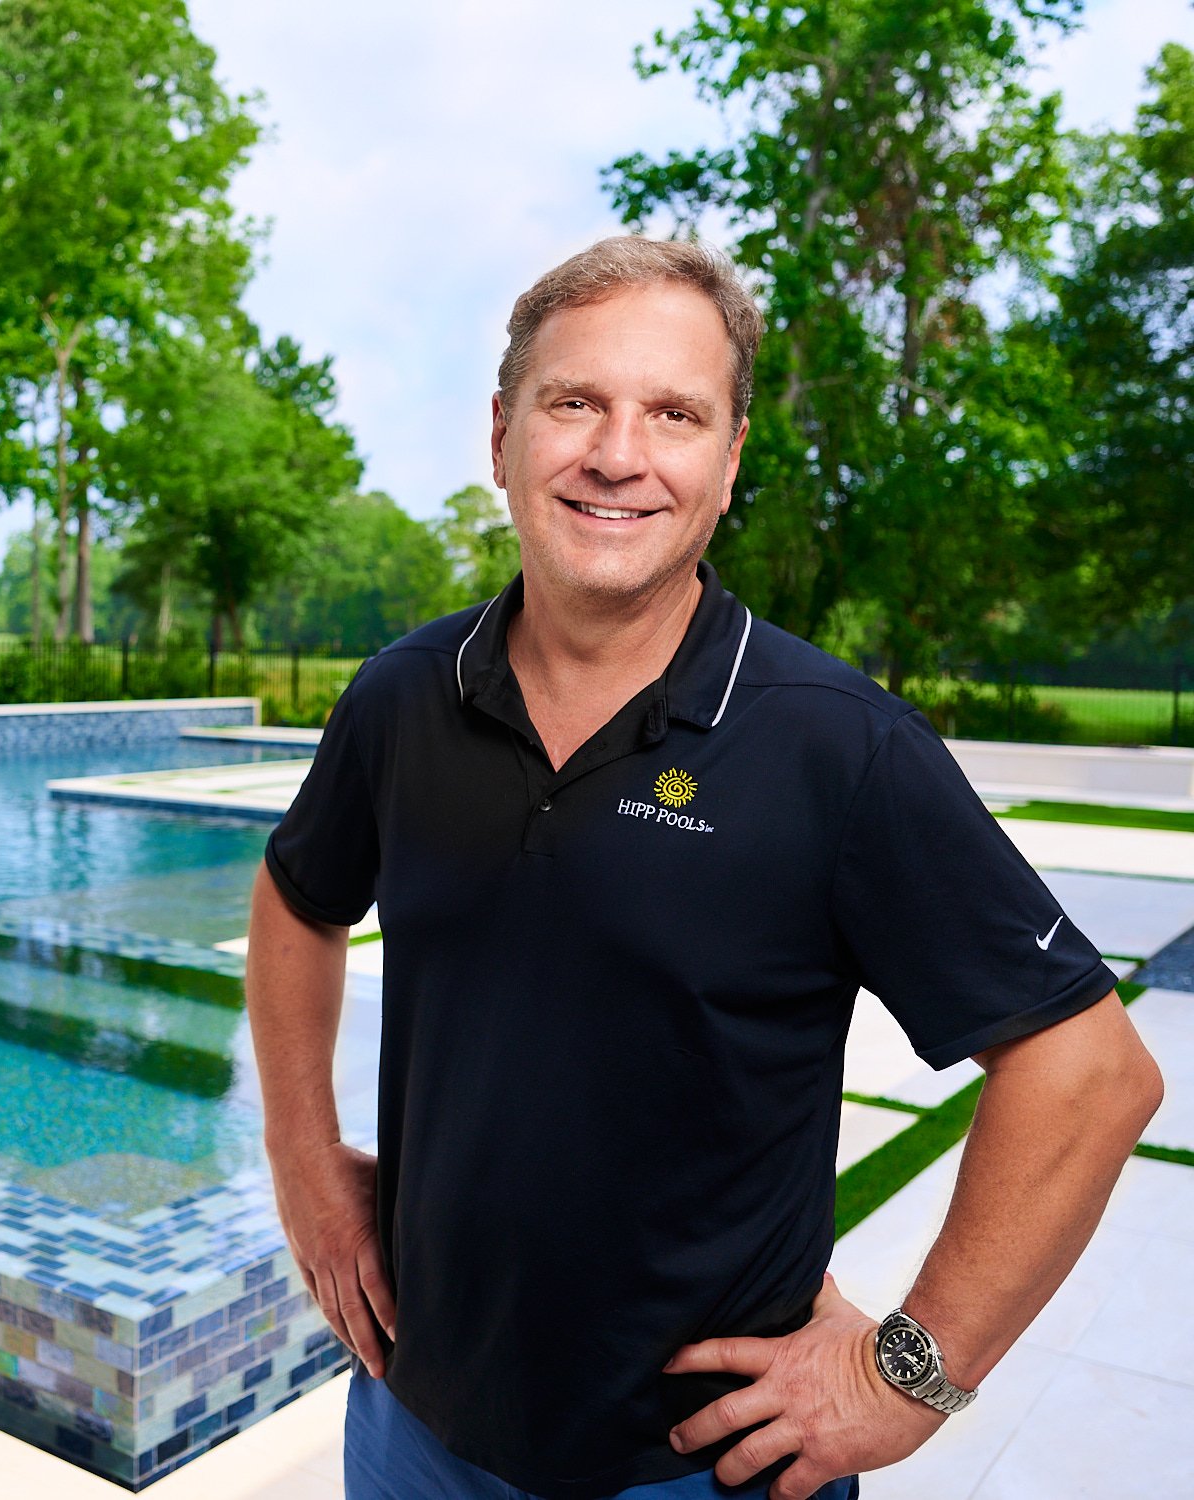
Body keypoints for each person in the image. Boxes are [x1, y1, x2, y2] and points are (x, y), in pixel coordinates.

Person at [245, 238, 1162, 1500]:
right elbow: (297, 902)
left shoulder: (838, 747)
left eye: (673, 414)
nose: (618, 454)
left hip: (697, 1471)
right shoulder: (404, 696)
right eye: (576, 402)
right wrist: (304, 1164)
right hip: (415, 1429)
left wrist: (911, 1375)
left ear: (727, 464)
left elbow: (1088, 1072)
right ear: (504, 432)